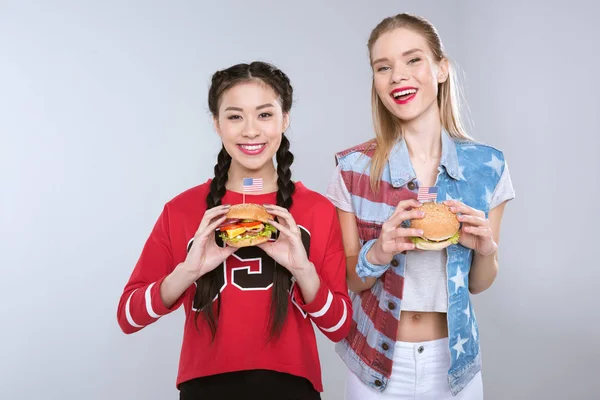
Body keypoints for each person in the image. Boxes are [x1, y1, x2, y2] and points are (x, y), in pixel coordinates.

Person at [117, 61, 352, 400]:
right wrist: (188, 272)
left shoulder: (317, 209)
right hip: (205, 388)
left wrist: (303, 270)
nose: (251, 130)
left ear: (285, 119)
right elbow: (128, 316)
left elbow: (340, 327)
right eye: (235, 116)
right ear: (217, 124)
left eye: (265, 115)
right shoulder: (182, 209)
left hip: (291, 387)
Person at [327, 13, 515, 399]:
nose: (397, 76)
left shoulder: (488, 166)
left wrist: (487, 251)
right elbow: (350, 280)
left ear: (441, 69)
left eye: (413, 59)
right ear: (376, 81)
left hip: (454, 364)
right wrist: (379, 250)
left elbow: (478, 284)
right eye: (383, 67)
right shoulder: (352, 169)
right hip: (375, 365)